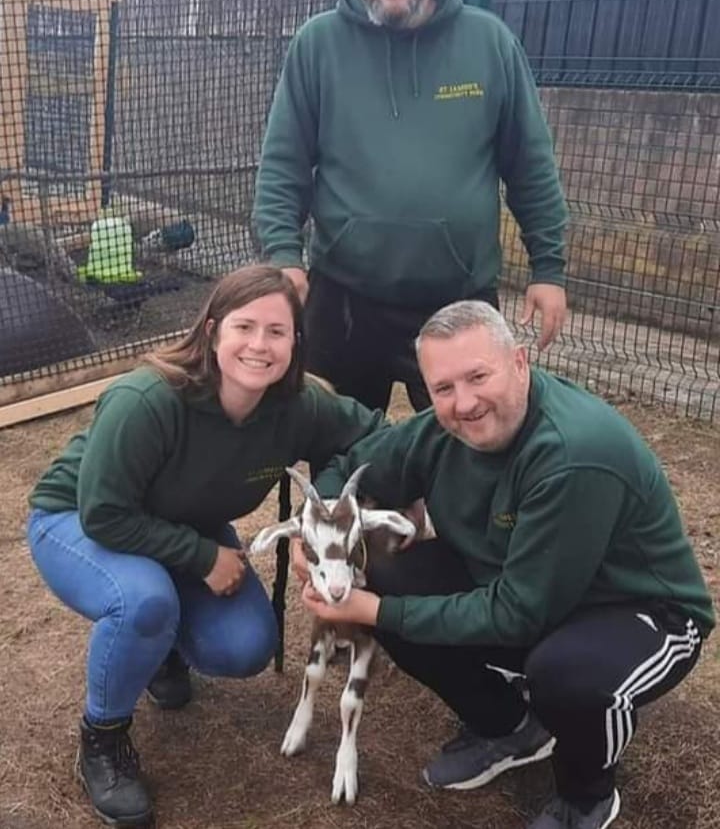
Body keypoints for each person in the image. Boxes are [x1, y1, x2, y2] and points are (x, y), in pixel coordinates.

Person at [294, 300, 715, 829]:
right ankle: (512, 728)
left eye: (477, 376)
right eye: (443, 387)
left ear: (520, 362)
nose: (463, 403)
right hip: (521, 583)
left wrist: (375, 611)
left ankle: (586, 797)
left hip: (638, 610)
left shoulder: (571, 452)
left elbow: (520, 614)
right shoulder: (438, 430)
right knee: (389, 570)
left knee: (566, 675)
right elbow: (347, 469)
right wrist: (319, 532)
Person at [26, 265, 385, 828]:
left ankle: (159, 649)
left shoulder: (297, 405)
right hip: (77, 522)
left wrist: (326, 516)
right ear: (213, 329)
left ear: (296, 341)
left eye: (277, 331)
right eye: (245, 327)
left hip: (184, 524)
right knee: (144, 601)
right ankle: (103, 740)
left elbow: (372, 435)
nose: (259, 346)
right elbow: (104, 513)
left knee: (245, 645)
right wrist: (201, 557)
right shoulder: (147, 399)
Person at [253, 0, 569, 413]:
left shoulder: (488, 43)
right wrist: (284, 256)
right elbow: (284, 164)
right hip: (345, 300)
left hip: (458, 298)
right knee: (342, 455)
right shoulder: (318, 45)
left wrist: (549, 268)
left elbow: (530, 165)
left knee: (466, 451)